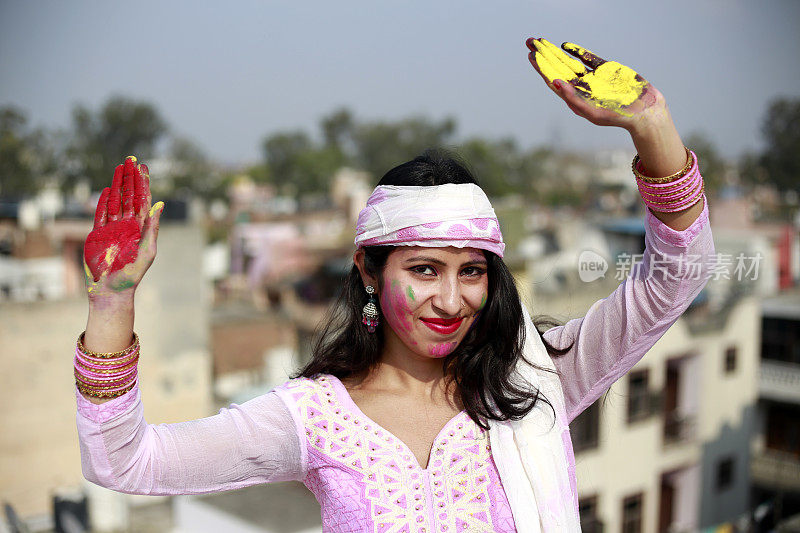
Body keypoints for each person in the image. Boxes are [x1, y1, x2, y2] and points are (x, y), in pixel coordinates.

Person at [74, 38, 715, 532]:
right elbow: (123, 462)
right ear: (369, 271)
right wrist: (112, 301)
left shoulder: (534, 383)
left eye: (472, 271)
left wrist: (652, 125)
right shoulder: (315, 417)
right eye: (424, 269)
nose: (451, 298)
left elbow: (677, 275)